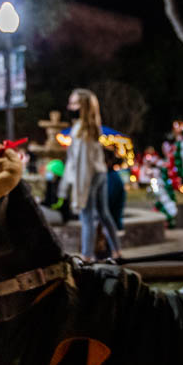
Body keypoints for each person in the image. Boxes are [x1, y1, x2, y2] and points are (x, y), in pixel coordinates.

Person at [61, 88, 121, 261]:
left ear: (83, 107)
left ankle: (87, 255)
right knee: (103, 214)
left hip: (89, 176)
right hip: (100, 173)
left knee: (86, 216)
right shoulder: (92, 128)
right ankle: (116, 250)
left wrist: (76, 190)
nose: (69, 107)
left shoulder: (81, 131)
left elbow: (81, 165)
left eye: (73, 103)